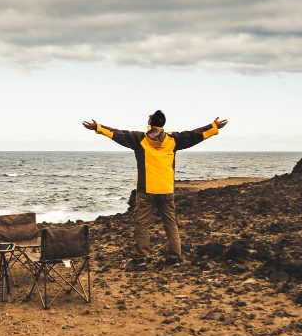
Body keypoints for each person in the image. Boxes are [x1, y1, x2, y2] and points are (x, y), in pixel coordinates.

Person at [82, 110, 228, 266]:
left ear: (150, 122)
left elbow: (117, 134)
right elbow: (194, 135)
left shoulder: (139, 139)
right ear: (163, 123)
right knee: (171, 224)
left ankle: (140, 258)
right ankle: (175, 258)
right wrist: (213, 127)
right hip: (166, 190)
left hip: (146, 191)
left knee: (142, 225)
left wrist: (98, 127)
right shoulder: (173, 139)